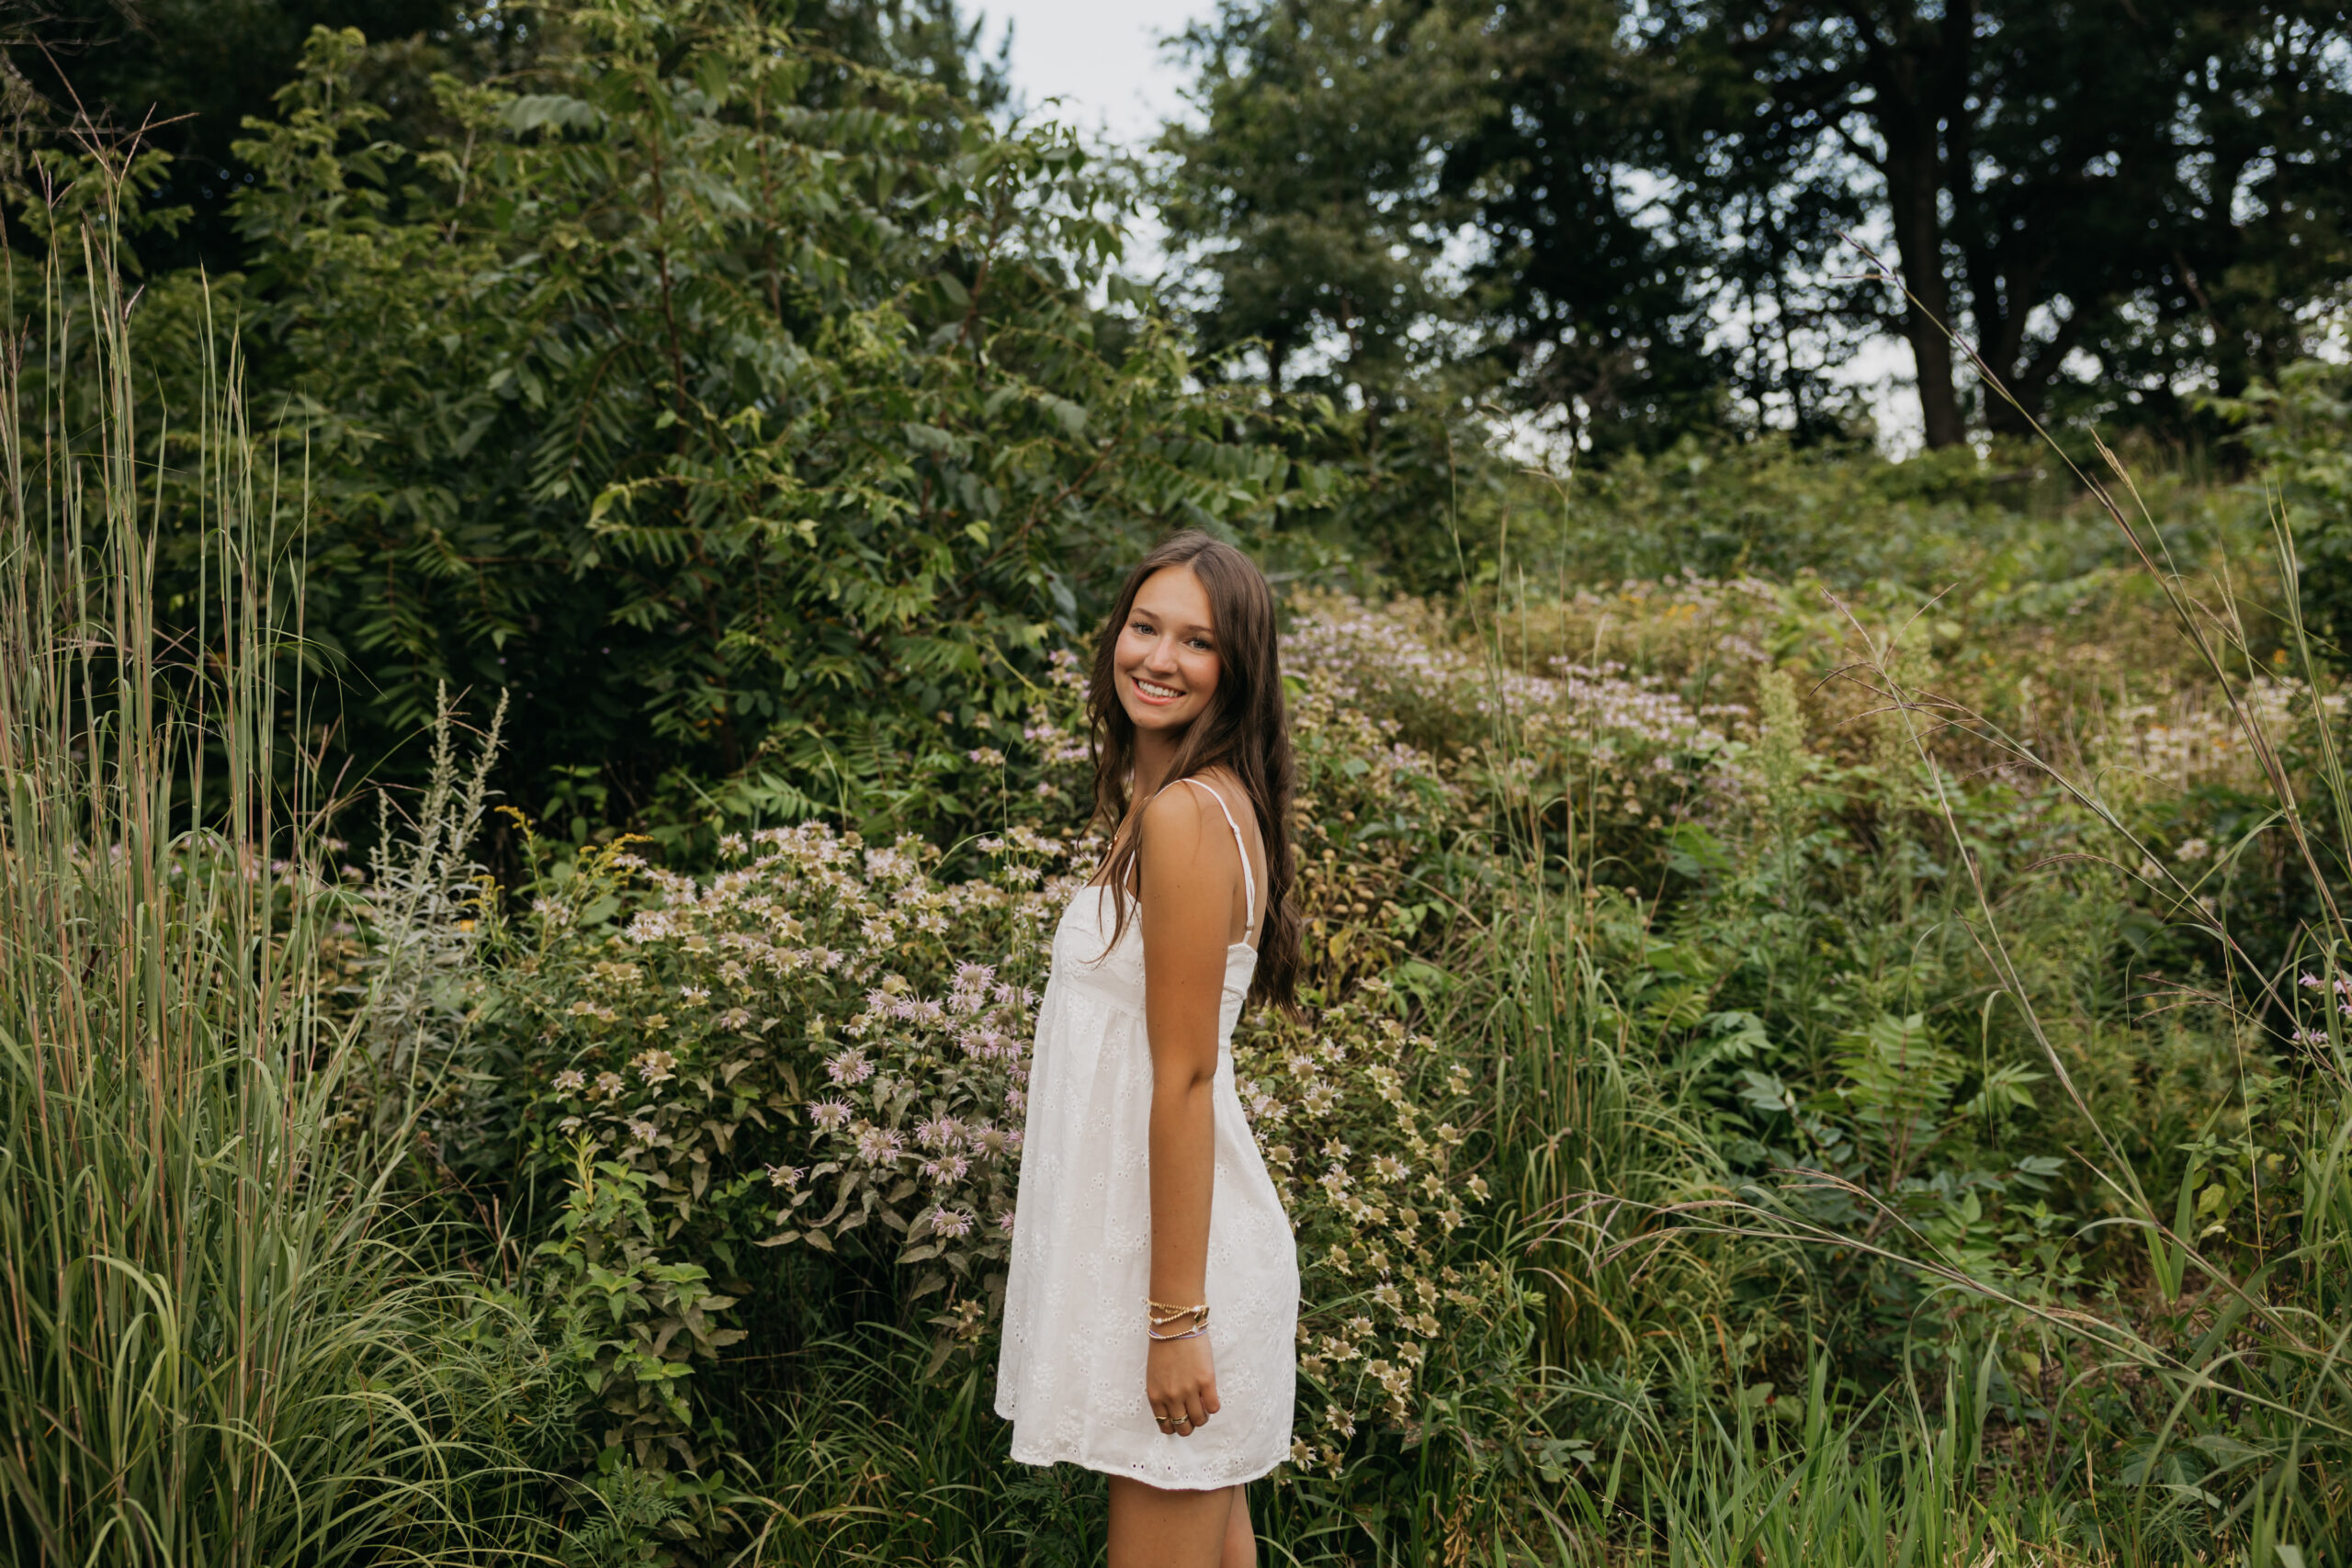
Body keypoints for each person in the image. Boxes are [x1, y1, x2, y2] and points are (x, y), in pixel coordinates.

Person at [995, 531, 1304, 1568]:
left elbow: (1182, 1076)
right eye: (1143, 626)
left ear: (1239, 669)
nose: (1158, 658)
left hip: (1182, 1282)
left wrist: (1174, 1321)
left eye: (1197, 642)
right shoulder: (1178, 803)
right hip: (1174, 1262)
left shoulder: (1183, 817)